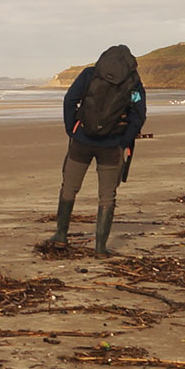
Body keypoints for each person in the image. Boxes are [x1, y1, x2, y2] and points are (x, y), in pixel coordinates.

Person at [50, 44, 146, 256]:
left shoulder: (90, 74)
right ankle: (100, 248)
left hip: (81, 141)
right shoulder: (134, 84)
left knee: (69, 188)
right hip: (112, 146)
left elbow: (70, 100)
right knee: (107, 197)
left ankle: (61, 235)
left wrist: (72, 129)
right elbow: (139, 115)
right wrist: (124, 141)